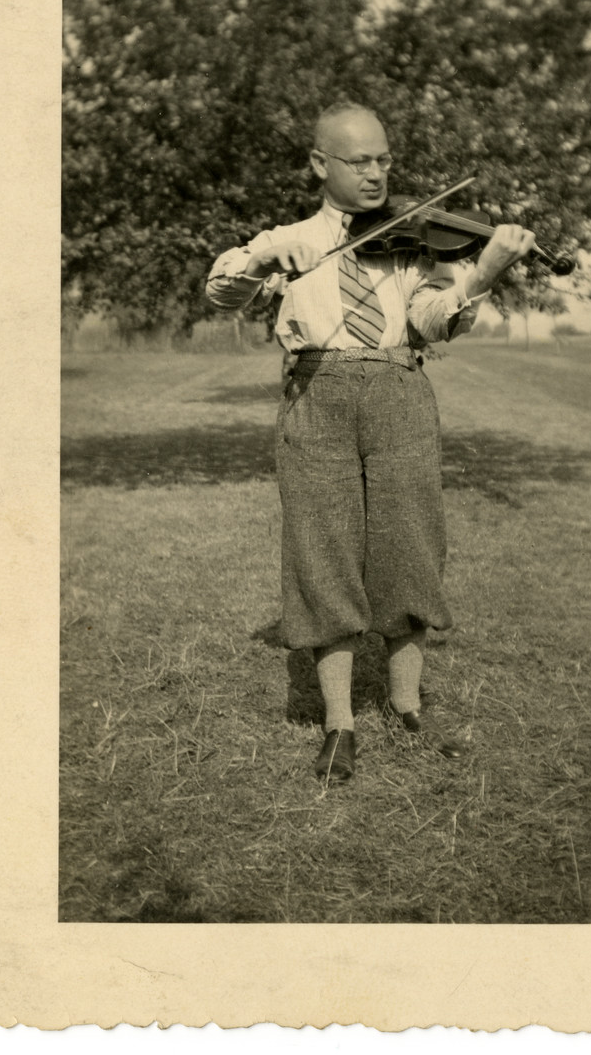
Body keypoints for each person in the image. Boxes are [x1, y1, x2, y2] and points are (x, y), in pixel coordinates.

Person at [206, 103, 537, 784]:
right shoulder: (291, 239)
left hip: (398, 393)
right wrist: (265, 255)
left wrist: (485, 273)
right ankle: (338, 724)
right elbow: (220, 290)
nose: (375, 173)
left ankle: (407, 704)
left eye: (383, 159)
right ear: (319, 165)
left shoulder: (412, 244)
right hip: (315, 395)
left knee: (409, 545)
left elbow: (434, 323)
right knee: (321, 547)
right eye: (358, 161)